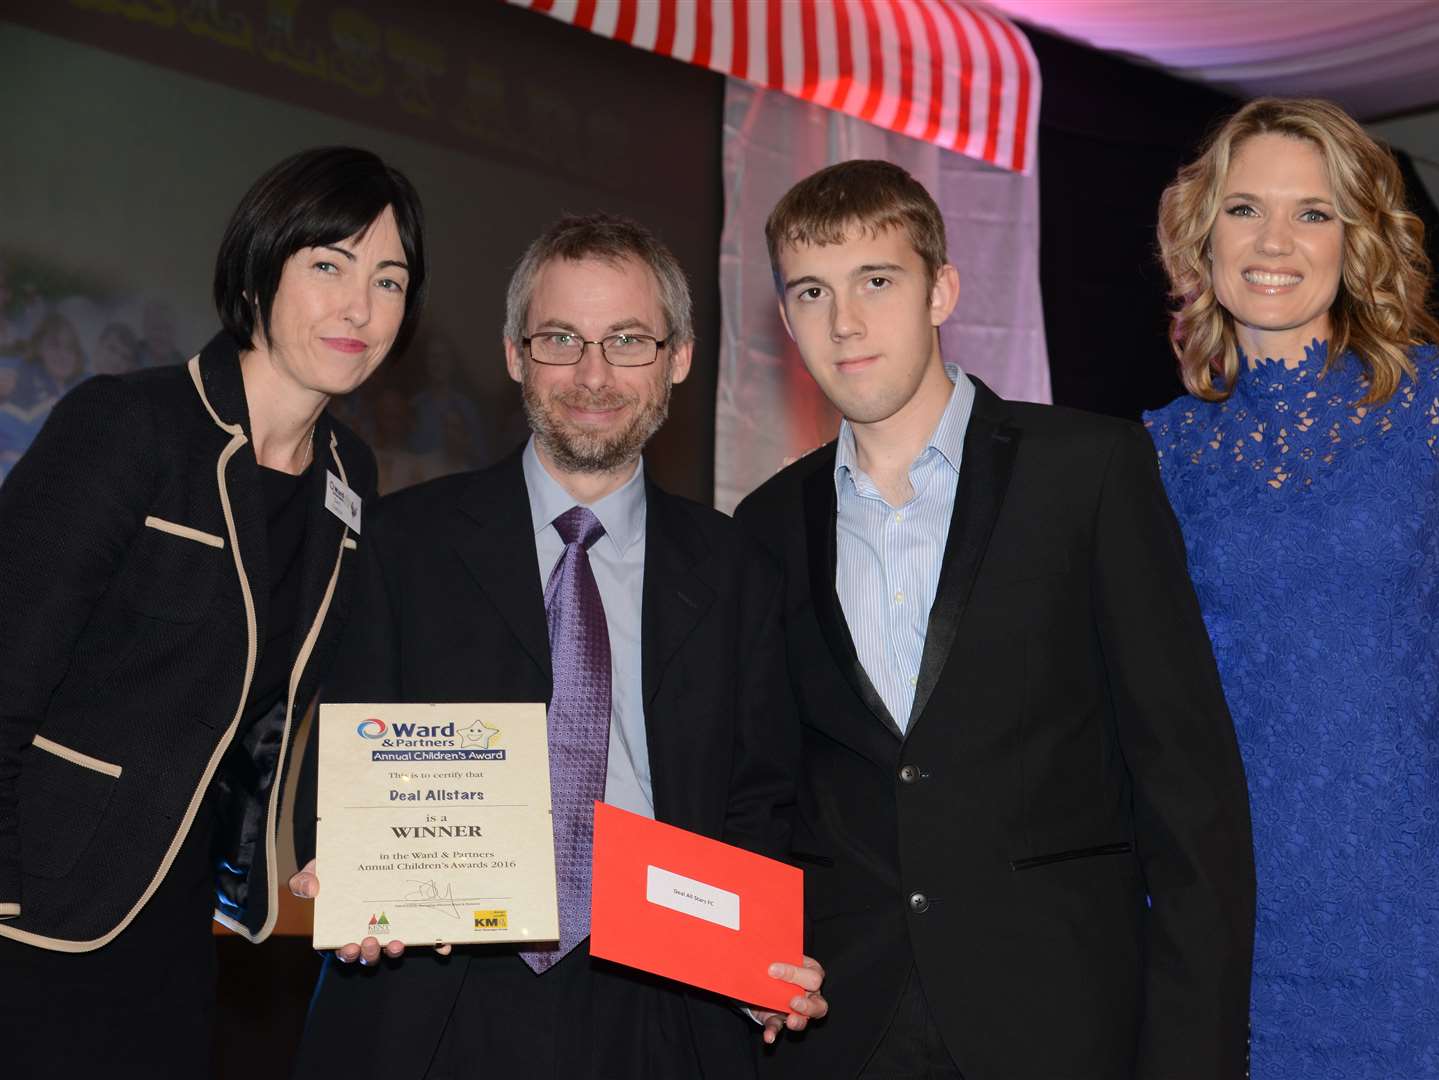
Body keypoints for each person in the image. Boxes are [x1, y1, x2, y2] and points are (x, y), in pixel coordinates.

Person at [732, 160, 1255, 1080]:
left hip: (1061, 1022)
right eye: (812, 290)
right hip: (843, 1031)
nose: (844, 322)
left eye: (877, 282)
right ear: (784, 318)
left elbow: (1189, 791)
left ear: (943, 291)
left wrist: (1192, 1057)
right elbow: (767, 788)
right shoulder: (766, 526)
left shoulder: (1088, 471)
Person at [290, 213, 827, 1080]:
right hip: (432, 993)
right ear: (514, 353)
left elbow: (759, 804)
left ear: (678, 359)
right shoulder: (403, 544)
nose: (592, 374)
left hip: (665, 1002)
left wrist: (758, 954)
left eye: (627, 340)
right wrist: (348, 868)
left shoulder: (737, 572)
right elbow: (344, 765)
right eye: (559, 339)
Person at [1146, 97, 1439, 1077]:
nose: (1276, 241)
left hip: (1422, 930)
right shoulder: (1160, 454)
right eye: (1246, 209)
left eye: (1314, 213)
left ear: (1357, 238)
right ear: (1204, 235)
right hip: (1223, 935)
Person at [0, 145, 428, 1077]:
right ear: (261, 266)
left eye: (388, 279)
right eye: (330, 265)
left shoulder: (350, 476)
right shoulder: (130, 427)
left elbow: (294, 713)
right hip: (35, 914)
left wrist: (346, 856)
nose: (360, 307)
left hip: (185, 929)